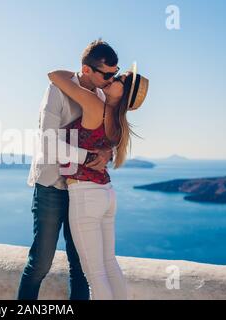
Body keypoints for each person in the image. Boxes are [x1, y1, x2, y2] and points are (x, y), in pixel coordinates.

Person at [17, 40, 119, 300]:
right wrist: (88, 157)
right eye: (106, 74)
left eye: (114, 74)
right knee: (40, 263)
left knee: (81, 267)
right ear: (87, 70)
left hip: (82, 191)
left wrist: (108, 153)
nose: (110, 79)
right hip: (52, 185)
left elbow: (110, 141)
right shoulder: (56, 90)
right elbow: (48, 143)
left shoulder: (102, 97)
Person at [47, 62, 149, 299]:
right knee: (110, 265)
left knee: (95, 275)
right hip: (106, 194)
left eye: (120, 80)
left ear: (124, 94)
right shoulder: (119, 123)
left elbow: (54, 76)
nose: (115, 78)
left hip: (86, 195)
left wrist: (89, 70)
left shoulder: (95, 105)